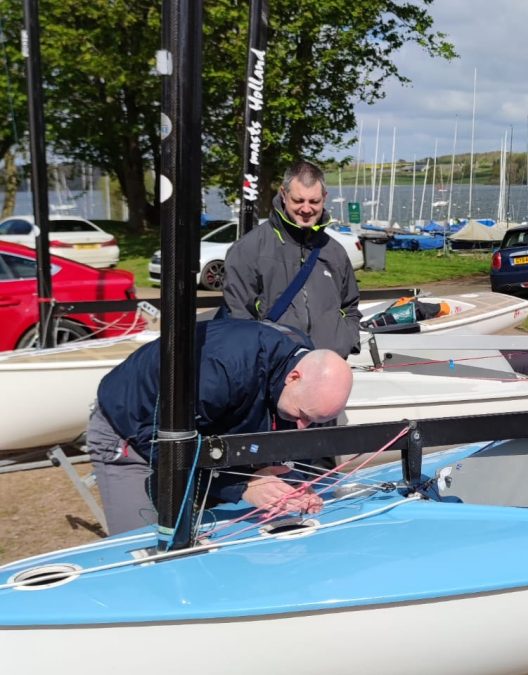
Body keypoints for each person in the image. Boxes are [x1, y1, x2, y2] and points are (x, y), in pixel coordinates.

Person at [87, 319, 354, 535]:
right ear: (293, 377)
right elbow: (166, 444)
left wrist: (292, 481)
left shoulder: (298, 369)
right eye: (303, 415)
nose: (301, 427)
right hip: (134, 435)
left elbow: (269, 424)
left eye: (313, 422)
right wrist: (242, 486)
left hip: (200, 434)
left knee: (222, 537)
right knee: (146, 543)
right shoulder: (220, 369)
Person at [224, 159, 363, 357]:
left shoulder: (335, 251)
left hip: (330, 367)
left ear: (324, 197)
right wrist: (261, 359)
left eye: (314, 201)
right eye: (298, 200)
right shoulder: (248, 249)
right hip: (275, 371)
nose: (306, 209)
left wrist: (346, 341)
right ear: (284, 194)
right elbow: (238, 318)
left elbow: (350, 306)